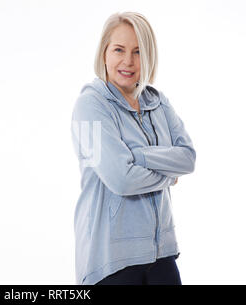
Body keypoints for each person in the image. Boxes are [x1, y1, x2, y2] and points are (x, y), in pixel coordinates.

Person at [70, 11, 196, 285]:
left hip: (162, 253)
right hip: (111, 259)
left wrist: (138, 157)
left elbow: (188, 158)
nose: (128, 61)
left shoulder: (158, 102)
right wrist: (168, 175)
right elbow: (121, 179)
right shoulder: (91, 106)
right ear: (104, 52)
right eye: (119, 49)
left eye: (138, 52)